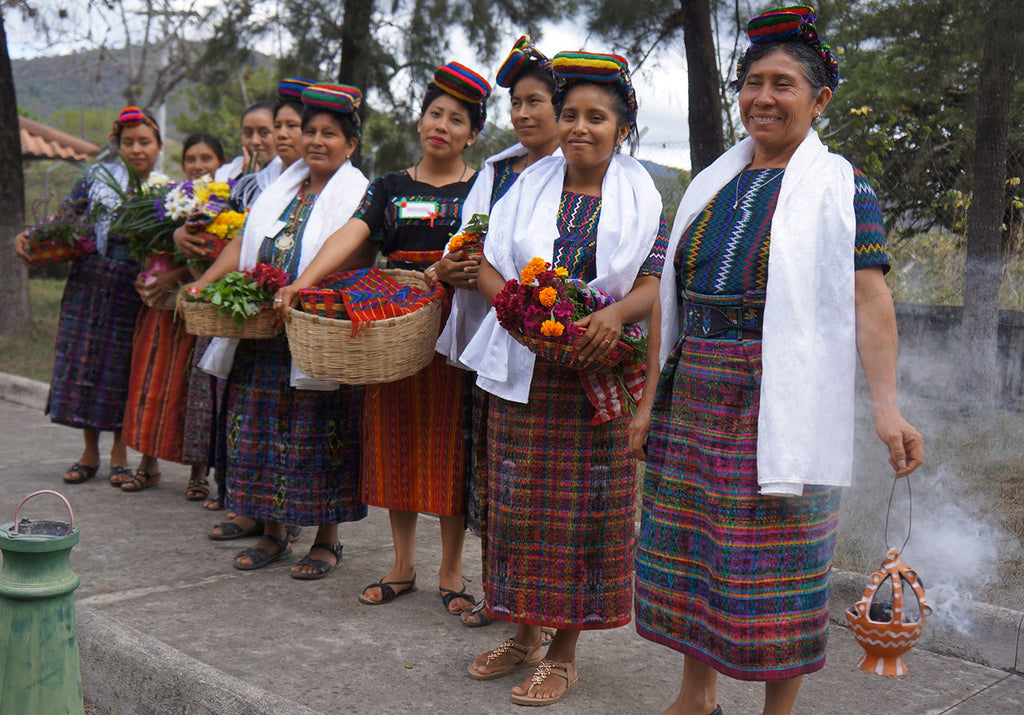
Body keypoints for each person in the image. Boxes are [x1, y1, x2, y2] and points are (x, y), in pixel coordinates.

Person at [627, 7, 924, 715]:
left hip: (777, 397)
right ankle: (696, 696)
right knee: (695, 550)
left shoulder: (841, 187)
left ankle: (777, 711)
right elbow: (671, 293)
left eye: (783, 83)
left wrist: (887, 406)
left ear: (819, 100)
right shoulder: (709, 184)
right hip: (695, 386)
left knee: (775, 567)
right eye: (752, 81)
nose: (763, 96)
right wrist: (646, 401)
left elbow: (869, 297)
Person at [460, 51, 667, 707]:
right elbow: (488, 265)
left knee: (584, 518)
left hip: (594, 380)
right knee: (516, 510)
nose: (581, 127)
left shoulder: (643, 197)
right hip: (525, 375)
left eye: (597, 116)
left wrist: (609, 316)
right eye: (571, 113)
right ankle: (522, 635)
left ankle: (565, 653)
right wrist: (518, 314)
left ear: (623, 127)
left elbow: (655, 283)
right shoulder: (525, 188)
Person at [276, 61, 491, 609]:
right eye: (434, 113)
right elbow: (352, 234)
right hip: (391, 323)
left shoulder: (484, 187)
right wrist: (304, 282)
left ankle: (450, 572)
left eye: (456, 119)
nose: (441, 125)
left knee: (449, 445)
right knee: (395, 438)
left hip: (455, 328)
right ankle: (400, 566)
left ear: (473, 132)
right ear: (420, 121)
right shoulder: (389, 187)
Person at [185, 84, 370, 578]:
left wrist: (305, 293)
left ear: (351, 145)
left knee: (321, 431)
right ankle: (272, 532)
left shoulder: (358, 195)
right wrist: (206, 283)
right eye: (310, 131)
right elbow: (245, 240)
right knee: (261, 431)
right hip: (263, 334)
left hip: (318, 332)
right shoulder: (281, 190)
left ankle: (328, 540)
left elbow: (356, 258)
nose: (315, 140)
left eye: (329, 133)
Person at [432, 35, 559, 630]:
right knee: (492, 476)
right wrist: (464, 268)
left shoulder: (580, 174)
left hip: (553, 343)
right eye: (517, 104)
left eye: (536, 101)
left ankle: (538, 611)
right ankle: (498, 593)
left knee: (539, 486)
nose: (525, 114)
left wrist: (530, 313)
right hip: (497, 341)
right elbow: (474, 241)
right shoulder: (500, 171)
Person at [175, 79, 317, 518]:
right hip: (251, 314)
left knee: (302, 426)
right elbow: (238, 237)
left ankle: (308, 530)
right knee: (250, 418)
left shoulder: (342, 189)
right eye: (280, 126)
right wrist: (200, 279)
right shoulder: (261, 186)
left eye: (297, 126)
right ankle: (250, 509)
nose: (284, 135)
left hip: (305, 318)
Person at [13, 106, 161, 485]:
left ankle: (118, 453)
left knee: (123, 370)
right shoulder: (96, 180)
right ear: (118, 145)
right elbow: (66, 217)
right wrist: (35, 235)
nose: (137, 149)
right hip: (90, 281)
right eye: (129, 142)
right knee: (87, 367)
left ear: (158, 146)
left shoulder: (165, 192)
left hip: (133, 288)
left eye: (145, 142)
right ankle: (89, 452)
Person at [117, 134, 227, 495]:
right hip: (161, 310)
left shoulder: (225, 204)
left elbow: (217, 258)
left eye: (206, 158)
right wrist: (149, 276)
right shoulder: (167, 199)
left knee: (193, 392)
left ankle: (198, 473)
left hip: (198, 310)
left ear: (220, 163)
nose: (198, 165)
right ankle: (147, 465)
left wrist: (176, 277)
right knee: (151, 384)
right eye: (192, 158)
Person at [214, 101, 275, 183]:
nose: (255, 141)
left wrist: (254, 179)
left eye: (264, 133)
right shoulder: (227, 173)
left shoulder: (288, 175)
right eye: (248, 133)